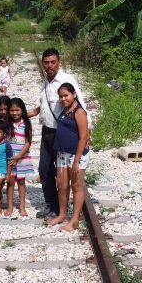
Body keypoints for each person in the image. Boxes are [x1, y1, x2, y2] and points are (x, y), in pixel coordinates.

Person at [27, 48, 89, 218]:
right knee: (45, 170)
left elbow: (81, 106)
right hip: (47, 132)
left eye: (53, 62)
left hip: (62, 133)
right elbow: (46, 106)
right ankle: (52, 204)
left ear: (59, 62)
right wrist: (25, 114)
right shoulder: (46, 81)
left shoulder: (67, 80)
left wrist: (86, 134)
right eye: (46, 63)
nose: (50, 66)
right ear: (43, 64)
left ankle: (63, 210)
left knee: (65, 176)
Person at [48, 83, 90, 232]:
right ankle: (62, 214)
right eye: (61, 96)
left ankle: (74, 220)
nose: (63, 98)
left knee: (77, 186)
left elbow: (84, 136)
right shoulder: (65, 109)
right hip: (62, 153)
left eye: (66, 95)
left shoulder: (79, 112)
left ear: (74, 94)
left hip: (75, 154)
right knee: (62, 184)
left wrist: (77, 161)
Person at [4, 98, 35, 217]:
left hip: (22, 158)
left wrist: (19, 156)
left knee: (21, 182)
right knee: (10, 182)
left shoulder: (26, 123)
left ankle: (22, 206)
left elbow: (28, 142)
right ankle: (10, 206)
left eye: (17, 110)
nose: (14, 113)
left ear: (22, 110)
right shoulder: (7, 124)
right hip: (10, 159)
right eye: (12, 110)